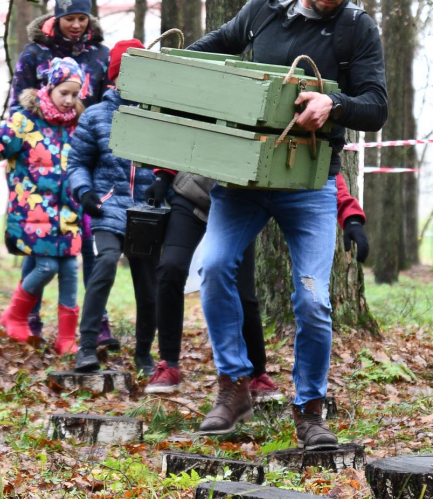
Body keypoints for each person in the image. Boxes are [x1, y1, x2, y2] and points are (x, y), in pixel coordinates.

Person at [185, 0, 388, 444]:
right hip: (243, 177)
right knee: (212, 266)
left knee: (314, 299)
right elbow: (214, 47)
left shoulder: (356, 30)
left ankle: (310, 408)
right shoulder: (263, 9)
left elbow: (376, 107)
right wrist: (166, 65)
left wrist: (334, 105)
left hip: (310, 181)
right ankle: (234, 385)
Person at [142, 169, 370, 396]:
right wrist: (164, 176)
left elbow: (325, 166)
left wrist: (350, 214)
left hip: (240, 197)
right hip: (193, 195)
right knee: (171, 268)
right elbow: (185, 137)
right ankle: (168, 364)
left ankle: (257, 374)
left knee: (243, 292)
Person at [9, 0, 117, 350]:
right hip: (39, 161)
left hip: (85, 158)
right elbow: (15, 105)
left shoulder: (99, 56)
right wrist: (16, 152)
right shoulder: (34, 54)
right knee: (41, 241)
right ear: (57, 15)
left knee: (89, 241)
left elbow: (107, 107)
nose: (76, 25)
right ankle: (30, 316)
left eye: (82, 18)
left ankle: (96, 320)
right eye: (70, 17)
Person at [0, 58, 90, 355]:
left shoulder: (78, 127)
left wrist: (89, 208)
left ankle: (66, 337)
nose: (69, 100)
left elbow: (87, 167)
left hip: (68, 215)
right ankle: (15, 315)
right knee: (46, 265)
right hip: (32, 213)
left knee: (69, 268)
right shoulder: (24, 122)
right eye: (63, 92)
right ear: (50, 88)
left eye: (74, 94)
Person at [66, 40, 160, 373]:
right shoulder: (94, 116)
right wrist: (85, 191)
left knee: (149, 288)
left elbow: (172, 161)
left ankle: (145, 354)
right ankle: (87, 346)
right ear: (114, 78)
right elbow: (76, 161)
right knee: (105, 262)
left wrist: (165, 184)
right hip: (108, 208)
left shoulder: (159, 118)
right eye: (125, 74)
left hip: (148, 213)